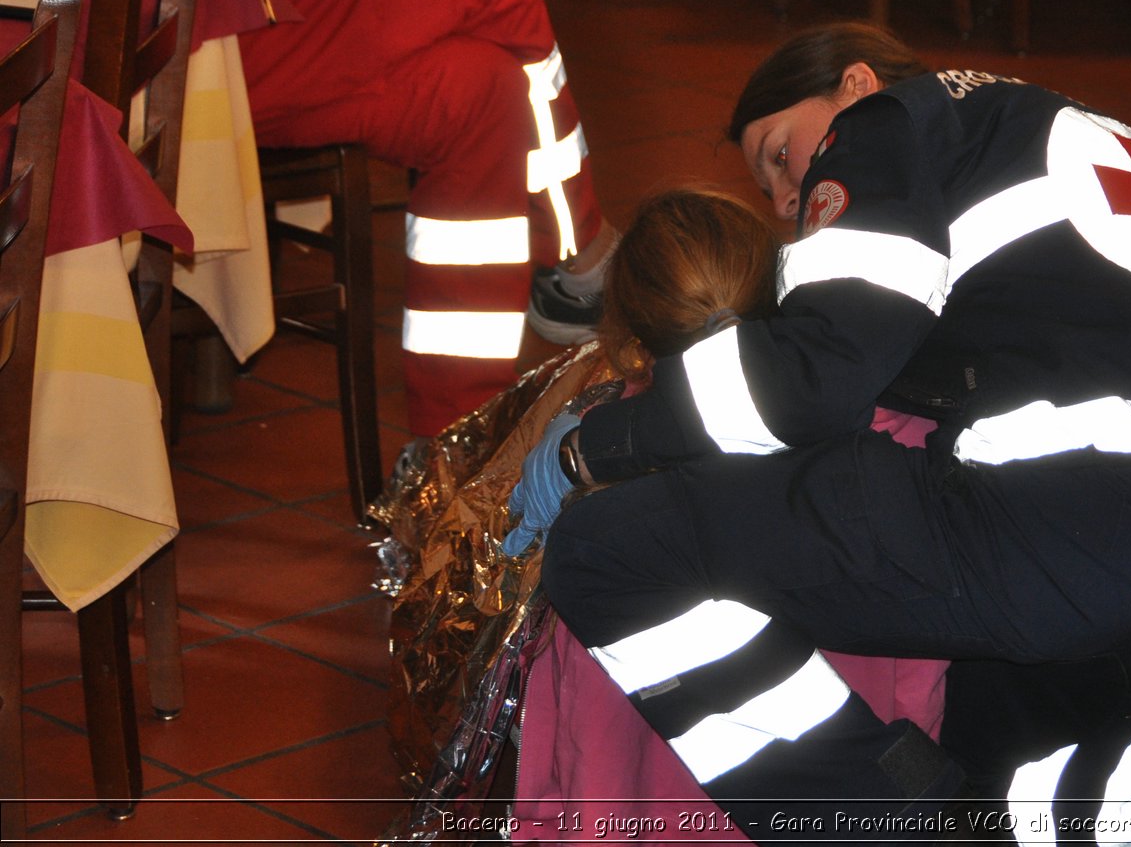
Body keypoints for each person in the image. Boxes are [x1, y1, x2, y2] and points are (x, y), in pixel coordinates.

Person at [514, 24, 1131, 844]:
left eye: (782, 154)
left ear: (853, 83)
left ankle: (887, 831)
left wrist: (596, 445)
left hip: (1063, 514)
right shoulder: (1080, 132)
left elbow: (813, 379)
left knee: (607, 550)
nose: (786, 198)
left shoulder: (888, 123)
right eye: (770, 188)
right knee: (984, 767)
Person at [0, 0, 618, 435]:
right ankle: (580, 256)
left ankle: (458, 437)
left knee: (478, 93)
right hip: (123, 47)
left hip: (225, 20)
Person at [373, 187, 947, 843]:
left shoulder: (591, 510)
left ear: (626, 339)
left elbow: (578, 760)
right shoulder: (899, 443)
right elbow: (923, 679)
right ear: (787, 296)